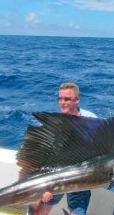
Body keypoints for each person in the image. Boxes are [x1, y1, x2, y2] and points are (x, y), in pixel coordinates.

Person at [32, 82, 97, 215]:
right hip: (56, 176)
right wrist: (44, 187)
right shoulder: (55, 124)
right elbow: (45, 156)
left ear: (77, 100)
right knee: (38, 212)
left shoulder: (90, 119)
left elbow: (105, 142)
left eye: (67, 99)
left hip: (80, 178)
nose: (62, 103)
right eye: (60, 99)